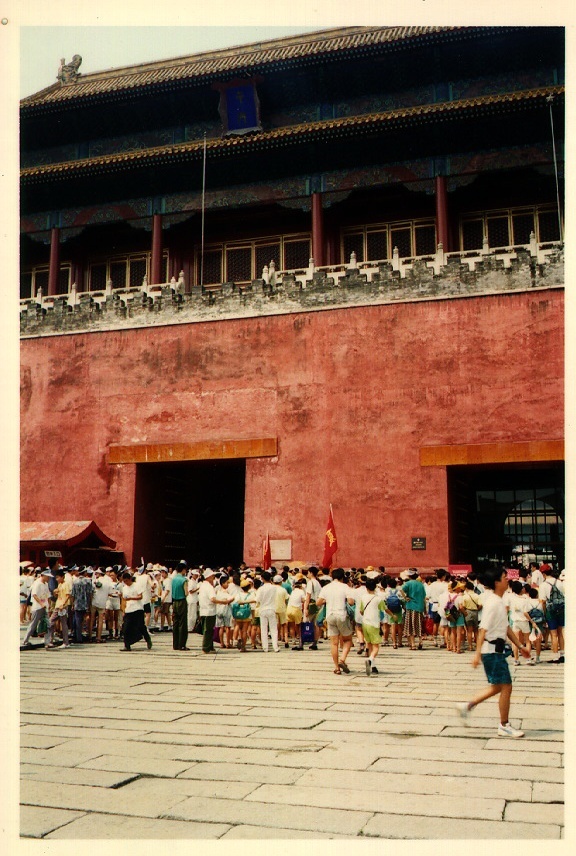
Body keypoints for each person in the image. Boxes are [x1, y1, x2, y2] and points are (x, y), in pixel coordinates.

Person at [455, 564, 530, 737]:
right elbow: (483, 629)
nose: (507, 580)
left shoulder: (498, 601)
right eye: (504, 577)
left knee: (499, 686)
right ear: (497, 582)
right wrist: (477, 654)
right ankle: (504, 725)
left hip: (496, 650)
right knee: (506, 686)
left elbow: (506, 627)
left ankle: (467, 706)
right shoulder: (494, 604)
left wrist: (520, 647)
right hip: (491, 651)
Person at [316, 567, 355, 674]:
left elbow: (318, 602)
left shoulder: (326, 587)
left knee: (334, 643)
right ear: (342, 577)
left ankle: (337, 668)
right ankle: (342, 659)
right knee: (347, 640)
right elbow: (351, 602)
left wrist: (326, 600)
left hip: (330, 616)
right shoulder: (345, 587)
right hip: (341, 615)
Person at [359, 575, 387, 675]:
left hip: (365, 623)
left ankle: (373, 666)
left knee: (369, 644)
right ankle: (370, 659)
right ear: (375, 587)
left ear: (366, 588)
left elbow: (361, 611)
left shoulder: (363, 597)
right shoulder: (378, 598)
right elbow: (384, 609)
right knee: (376, 647)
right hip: (374, 624)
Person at [120, 571, 153, 652]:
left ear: (130, 579)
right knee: (126, 627)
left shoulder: (136, 586)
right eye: (124, 581)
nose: (126, 583)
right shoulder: (124, 588)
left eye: (126, 581)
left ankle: (147, 639)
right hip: (129, 609)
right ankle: (127, 645)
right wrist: (123, 610)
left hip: (137, 608)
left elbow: (140, 596)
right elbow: (124, 599)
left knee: (141, 626)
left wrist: (131, 598)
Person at [538, 566, 565, 663]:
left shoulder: (543, 585)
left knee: (553, 634)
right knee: (560, 633)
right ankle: (563, 654)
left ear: (544, 574)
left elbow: (543, 601)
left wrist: (544, 614)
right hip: (561, 609)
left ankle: (555, 656)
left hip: (551, 611)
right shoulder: (559, 582)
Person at [22, 568, 52, 647]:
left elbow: (48, 595)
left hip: (45, 606)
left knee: (48, 624)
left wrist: (48, 605)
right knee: (33, 624)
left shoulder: (46, 584)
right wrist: (41, 604)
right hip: (37, 607)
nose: (49, 578)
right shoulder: (37, 583)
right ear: (43, 576)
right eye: (48, 577)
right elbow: (34, 595)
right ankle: (25, 640)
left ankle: (47, 642)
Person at [45, 568, 72, 648]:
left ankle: (64, 642)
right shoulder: (59, 584)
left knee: (61, 623)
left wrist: (63, 604)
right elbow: (57, 596)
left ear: (62, 577)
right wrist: (55, 592)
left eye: (58, 577)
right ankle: (52, 640)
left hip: (62, 606)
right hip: (58, 604)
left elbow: (68, 595)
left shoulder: (66, 584)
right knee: (54, 622)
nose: (57, 579)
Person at [401, 568, 427, 650]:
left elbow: (401, 590)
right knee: (418, 625)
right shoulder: (421, 584)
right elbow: (424, 597)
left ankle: (413, 644)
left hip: (411, 606)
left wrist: (405, 597)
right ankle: (420, 642)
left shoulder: (408, 583)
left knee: (410, 626)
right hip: (419, 607)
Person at [255, 570, 280, 653]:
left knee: (264, 629)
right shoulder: (274, 588)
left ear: (262, 579)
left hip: (263, 609)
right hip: (272, 608)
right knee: (273, 629)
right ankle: (275, 647)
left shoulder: (260, 589)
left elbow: (257, 600)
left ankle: (265, 647)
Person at [71, 566, 92, 643]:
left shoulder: (75, 581)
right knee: (86, 619)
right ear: (85, 572)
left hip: (77, 603)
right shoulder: (88, 581)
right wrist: (89, 603)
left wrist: (73, 604)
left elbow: (73, 594)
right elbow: (90, 593)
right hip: (86, 603)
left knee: (78, 621)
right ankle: (87, 635)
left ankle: (78, 637)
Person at [171, 561, 189, 650]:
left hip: (174, 602)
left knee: (175, 623)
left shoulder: (173, 579)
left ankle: (175, 644)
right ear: (183, 570)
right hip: (182, 601)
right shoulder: (184, 579)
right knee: (182, 623)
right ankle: (182, 644)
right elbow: (186, 593)